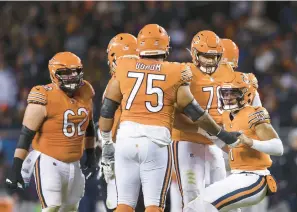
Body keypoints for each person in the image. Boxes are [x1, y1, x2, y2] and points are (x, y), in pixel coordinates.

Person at [99, 24, 244, 212]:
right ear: (166, 48)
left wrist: (106, 143)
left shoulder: (124, 65)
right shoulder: (176, 71)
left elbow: (107, 108)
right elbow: (194, 112)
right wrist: (221, 134)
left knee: (124, 204)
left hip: (126, 139)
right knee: (154, 206)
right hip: (156, 142)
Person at [171, 32, 263, 209]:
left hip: (215, 144)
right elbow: (173, 116)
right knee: (192, 195)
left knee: (224, 197)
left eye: (216, 58)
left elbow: (255, 115)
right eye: (207, 57)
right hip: (188, 142)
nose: (212, 63)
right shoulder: (185, 73)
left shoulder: (236, 80)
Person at [5, 52, 97, 212]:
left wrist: (91, 154)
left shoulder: (86, 90)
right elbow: (26, 135)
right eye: (66, 73)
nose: (72, 76)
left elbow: (89, 126)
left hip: (75, 163)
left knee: (70, 209)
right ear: (54, 74)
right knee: (51, 207)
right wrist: (16, 167)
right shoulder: (43, 95)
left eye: (75, 71)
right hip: (49, 161)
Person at [185, 73, 284, 212]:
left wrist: (251, 142)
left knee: (202, 207)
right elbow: (231, 146)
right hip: (236, 175)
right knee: (191, 207)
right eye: (225, 93)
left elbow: (278, 148)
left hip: (255, 177)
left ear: (247, 93)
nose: (228, 97)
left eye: (233, 93)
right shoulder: (227, 115)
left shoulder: (254, 114)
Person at [101, 33, 138, 211]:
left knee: (117, 204)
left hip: (122, 150)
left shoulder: (116, 81)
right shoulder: (149, 76)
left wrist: (106, 146)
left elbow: (110, 121)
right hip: (152, 148)